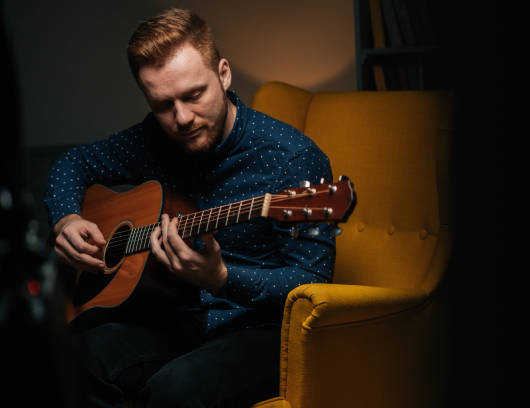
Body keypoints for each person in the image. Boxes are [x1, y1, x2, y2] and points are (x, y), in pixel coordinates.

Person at [44, 8, 335, 407]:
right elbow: (72, 163)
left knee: (173, 391)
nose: (181, 118)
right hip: (176, 313)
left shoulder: (294, 159)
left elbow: (313, 282)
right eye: (163, 105)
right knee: (68, 355)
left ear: (224, 74)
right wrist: (66, 219)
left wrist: (220, 277)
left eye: (194, 95)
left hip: (260, 328)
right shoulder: (153, 140)